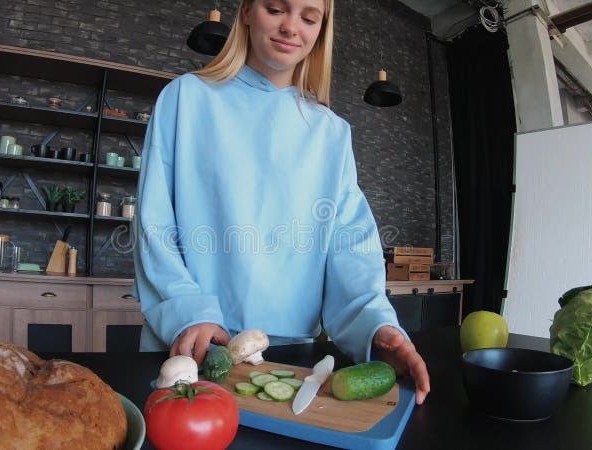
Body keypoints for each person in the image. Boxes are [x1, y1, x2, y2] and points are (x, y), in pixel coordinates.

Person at [132, 0, 430, 404]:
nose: (292, 27)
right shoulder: (185, 98)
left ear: (321, 32)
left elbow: (349, 249)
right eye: (276, 9)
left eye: (309, 18)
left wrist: (377, 325)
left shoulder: (332, 134)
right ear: (248, 12)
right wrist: (188, 310)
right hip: (191, 346)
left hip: (290, 357)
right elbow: (154, 222)